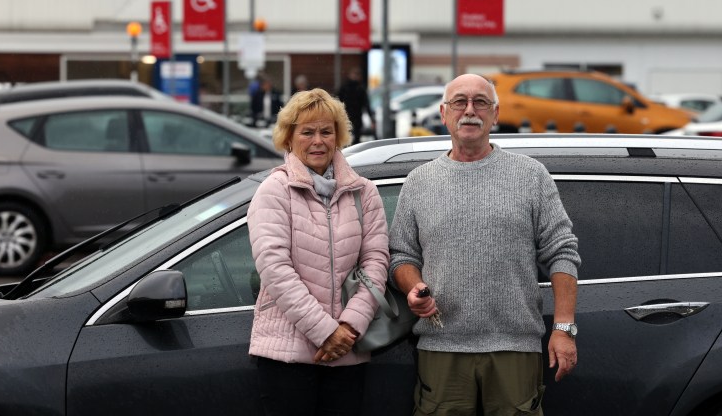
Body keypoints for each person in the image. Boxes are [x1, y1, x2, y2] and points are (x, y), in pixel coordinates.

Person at [388, 74, 581, 415]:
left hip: (515, 349)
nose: (470, 110)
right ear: (444, 113)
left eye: (481, 102)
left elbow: (562, 251)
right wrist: (413, 285)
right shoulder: (418, 182)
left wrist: (563, 328)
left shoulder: (531, 175)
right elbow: (401, 255)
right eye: (460, 102)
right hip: (441, 348)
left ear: (495, 114)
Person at [247, 88, 390, 416]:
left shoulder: (363, 192)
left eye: (326, 131)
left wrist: (350, 327)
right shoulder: (275, 190)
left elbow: (376, 262)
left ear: (338, 136)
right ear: (289, 137)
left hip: (348, 352)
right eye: (307, 132)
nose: (318, 141)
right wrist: (326, 332)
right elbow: (274, 266)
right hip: (287, 356)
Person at [337, 68, 374, 144]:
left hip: (352, 116)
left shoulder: (355, 88)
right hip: (350, 115)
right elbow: (366, 104)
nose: (355, 77)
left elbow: (366, 104)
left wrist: (372, 119)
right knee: (352, 136)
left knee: (352, 136)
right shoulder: (351, 88)